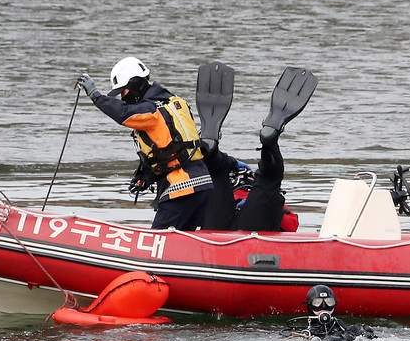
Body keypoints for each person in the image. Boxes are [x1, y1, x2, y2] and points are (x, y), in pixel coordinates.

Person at [78, 57, 213, 230]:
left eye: (123, 91)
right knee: (183, 239)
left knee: (157, 239)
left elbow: (124, 113)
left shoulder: (152, 111)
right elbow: (169, 147)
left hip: (182, 187)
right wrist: (147, 176)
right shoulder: (175, 103)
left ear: (135, 85)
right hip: (202, 183)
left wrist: (96, 96)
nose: (123, 97)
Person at [196, 64, 316, 233]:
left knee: (216, 172)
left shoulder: (231, 186)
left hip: (218, 227)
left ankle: (210, 150)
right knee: (268, 179)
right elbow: (291, 225)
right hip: (253, 227)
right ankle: (269, 141)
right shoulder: (250, 187)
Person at [300, 284, 375, 341]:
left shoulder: (342, 327)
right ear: (310, 305)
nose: (324, 306)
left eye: (329, 302)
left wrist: (365, 333)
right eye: (317, 302)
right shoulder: (304, 332)